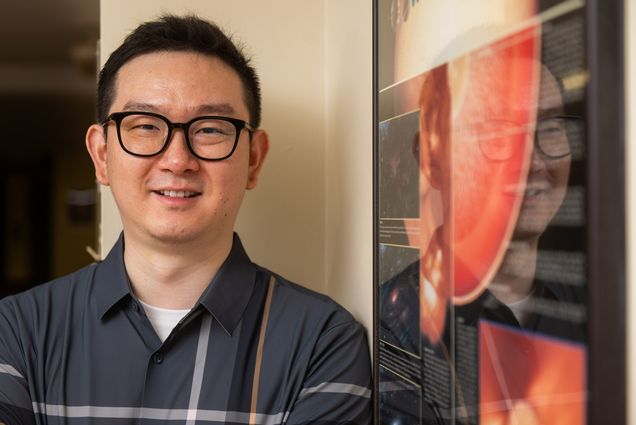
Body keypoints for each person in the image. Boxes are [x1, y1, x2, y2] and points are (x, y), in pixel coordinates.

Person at [0, 15, 371, 425]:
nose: (177, 160)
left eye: (211, 129)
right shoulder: (16, 332)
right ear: (102, 156)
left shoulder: (323, 342)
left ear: (253, 159)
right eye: (145, 126)